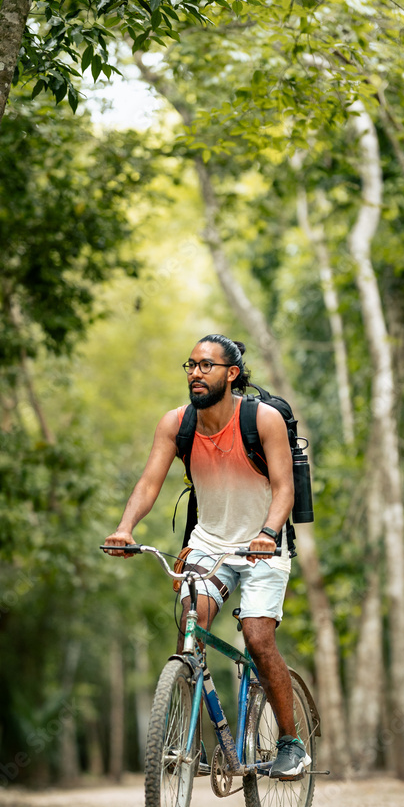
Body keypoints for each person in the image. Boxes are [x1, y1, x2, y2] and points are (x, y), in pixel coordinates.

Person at [103, 333, 311, 779]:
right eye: (191, 365)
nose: (196, 373)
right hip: (209, 542)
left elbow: (284, 489)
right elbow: (149, 483)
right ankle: (190, 741)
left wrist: (268, 532)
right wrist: (125, 528)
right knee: (190, 625)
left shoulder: (264, 419)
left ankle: (292, 744)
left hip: (263, 545)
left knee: (257, 638)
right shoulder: (176, 424)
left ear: (231, 373)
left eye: (206, 366)